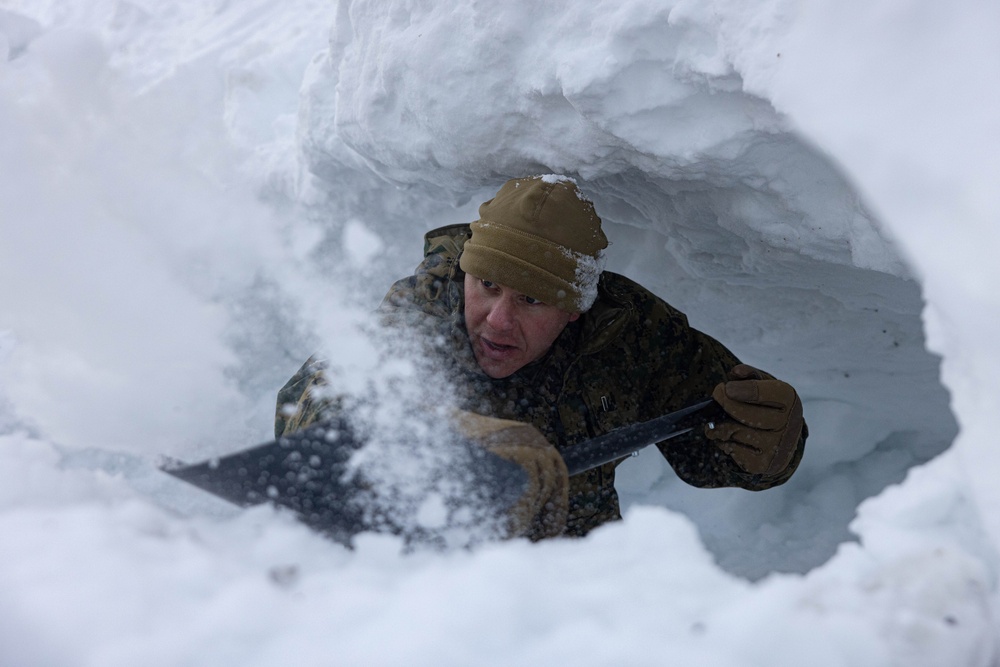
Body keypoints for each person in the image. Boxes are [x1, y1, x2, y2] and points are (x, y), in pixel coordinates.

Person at [275, 175, 806, 541]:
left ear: (576, 310)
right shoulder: (426, 307)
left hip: (572, 594)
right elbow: (310, 403)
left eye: (531, 300)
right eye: (487, 285)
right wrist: (434, 430)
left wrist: (771, 447)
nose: (498, 320)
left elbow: (711, 447)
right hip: (423, 593)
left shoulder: (627, 333)